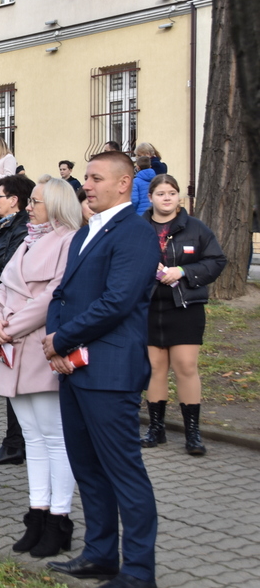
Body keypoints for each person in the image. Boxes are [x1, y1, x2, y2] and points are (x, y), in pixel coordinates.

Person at [43, 150, 160, 588]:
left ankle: (138, 571)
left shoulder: (135, 233)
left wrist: (62, 339)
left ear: (124, 183)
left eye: (94, 178)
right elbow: (65, 295)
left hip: (109, 370)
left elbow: (118, 302)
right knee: (88, 467)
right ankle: (100, 554)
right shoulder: (86, 231)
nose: (85, 185)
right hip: (74, 368)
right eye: (86, 178)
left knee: (123, 471)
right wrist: (55, 347)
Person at [0, 177, 82, 558]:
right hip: (11, 347)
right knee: (32, 437)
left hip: (40, 347)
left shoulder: (69, 240)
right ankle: (37, 512)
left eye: (37, 202)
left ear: (57, 205)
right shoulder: (28, 238)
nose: (29, 207)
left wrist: (7, 328)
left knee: (54, 437)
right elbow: (2, 288)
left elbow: (53, 295)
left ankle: (60, 518)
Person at [140, 174, 227, 456]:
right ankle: (156, 428)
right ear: (150, 197)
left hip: (185, 308)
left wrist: (185, 272)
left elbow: (216, 260)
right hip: (150, 307)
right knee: (155, 368)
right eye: (161, 193)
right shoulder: (138, 228)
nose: (167, 198)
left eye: (172, 193)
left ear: (179, 197)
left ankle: (192, 432)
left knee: (186, 366)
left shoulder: (196, 228)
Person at [0, 173, 35, 467]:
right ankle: (17, 440)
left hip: (12, 316)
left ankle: (17, 443)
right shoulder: (5, 227)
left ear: (14, 201)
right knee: (9, 377)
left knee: (15, 377)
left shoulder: (22, 230)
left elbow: (11, 272)